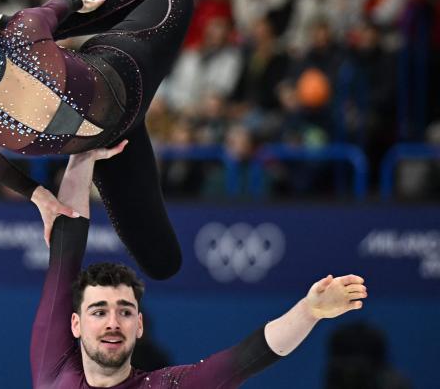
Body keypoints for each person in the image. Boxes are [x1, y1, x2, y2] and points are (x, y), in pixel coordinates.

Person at [0, 0, 195, 280]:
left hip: (130, 67)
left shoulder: (25, 30)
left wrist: (77, 2)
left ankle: (5, 23)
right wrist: (36, 194)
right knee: (162, 263)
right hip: (112, 149)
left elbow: (63, 4)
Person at [32, 142, 369, 388]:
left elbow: (248, 357)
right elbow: (66, 250)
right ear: (74, 324)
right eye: (99, 311)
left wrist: (309, 310)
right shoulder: (53, 369)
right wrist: (83, 154)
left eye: (125, 311)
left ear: (139, 325)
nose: (113, 323)